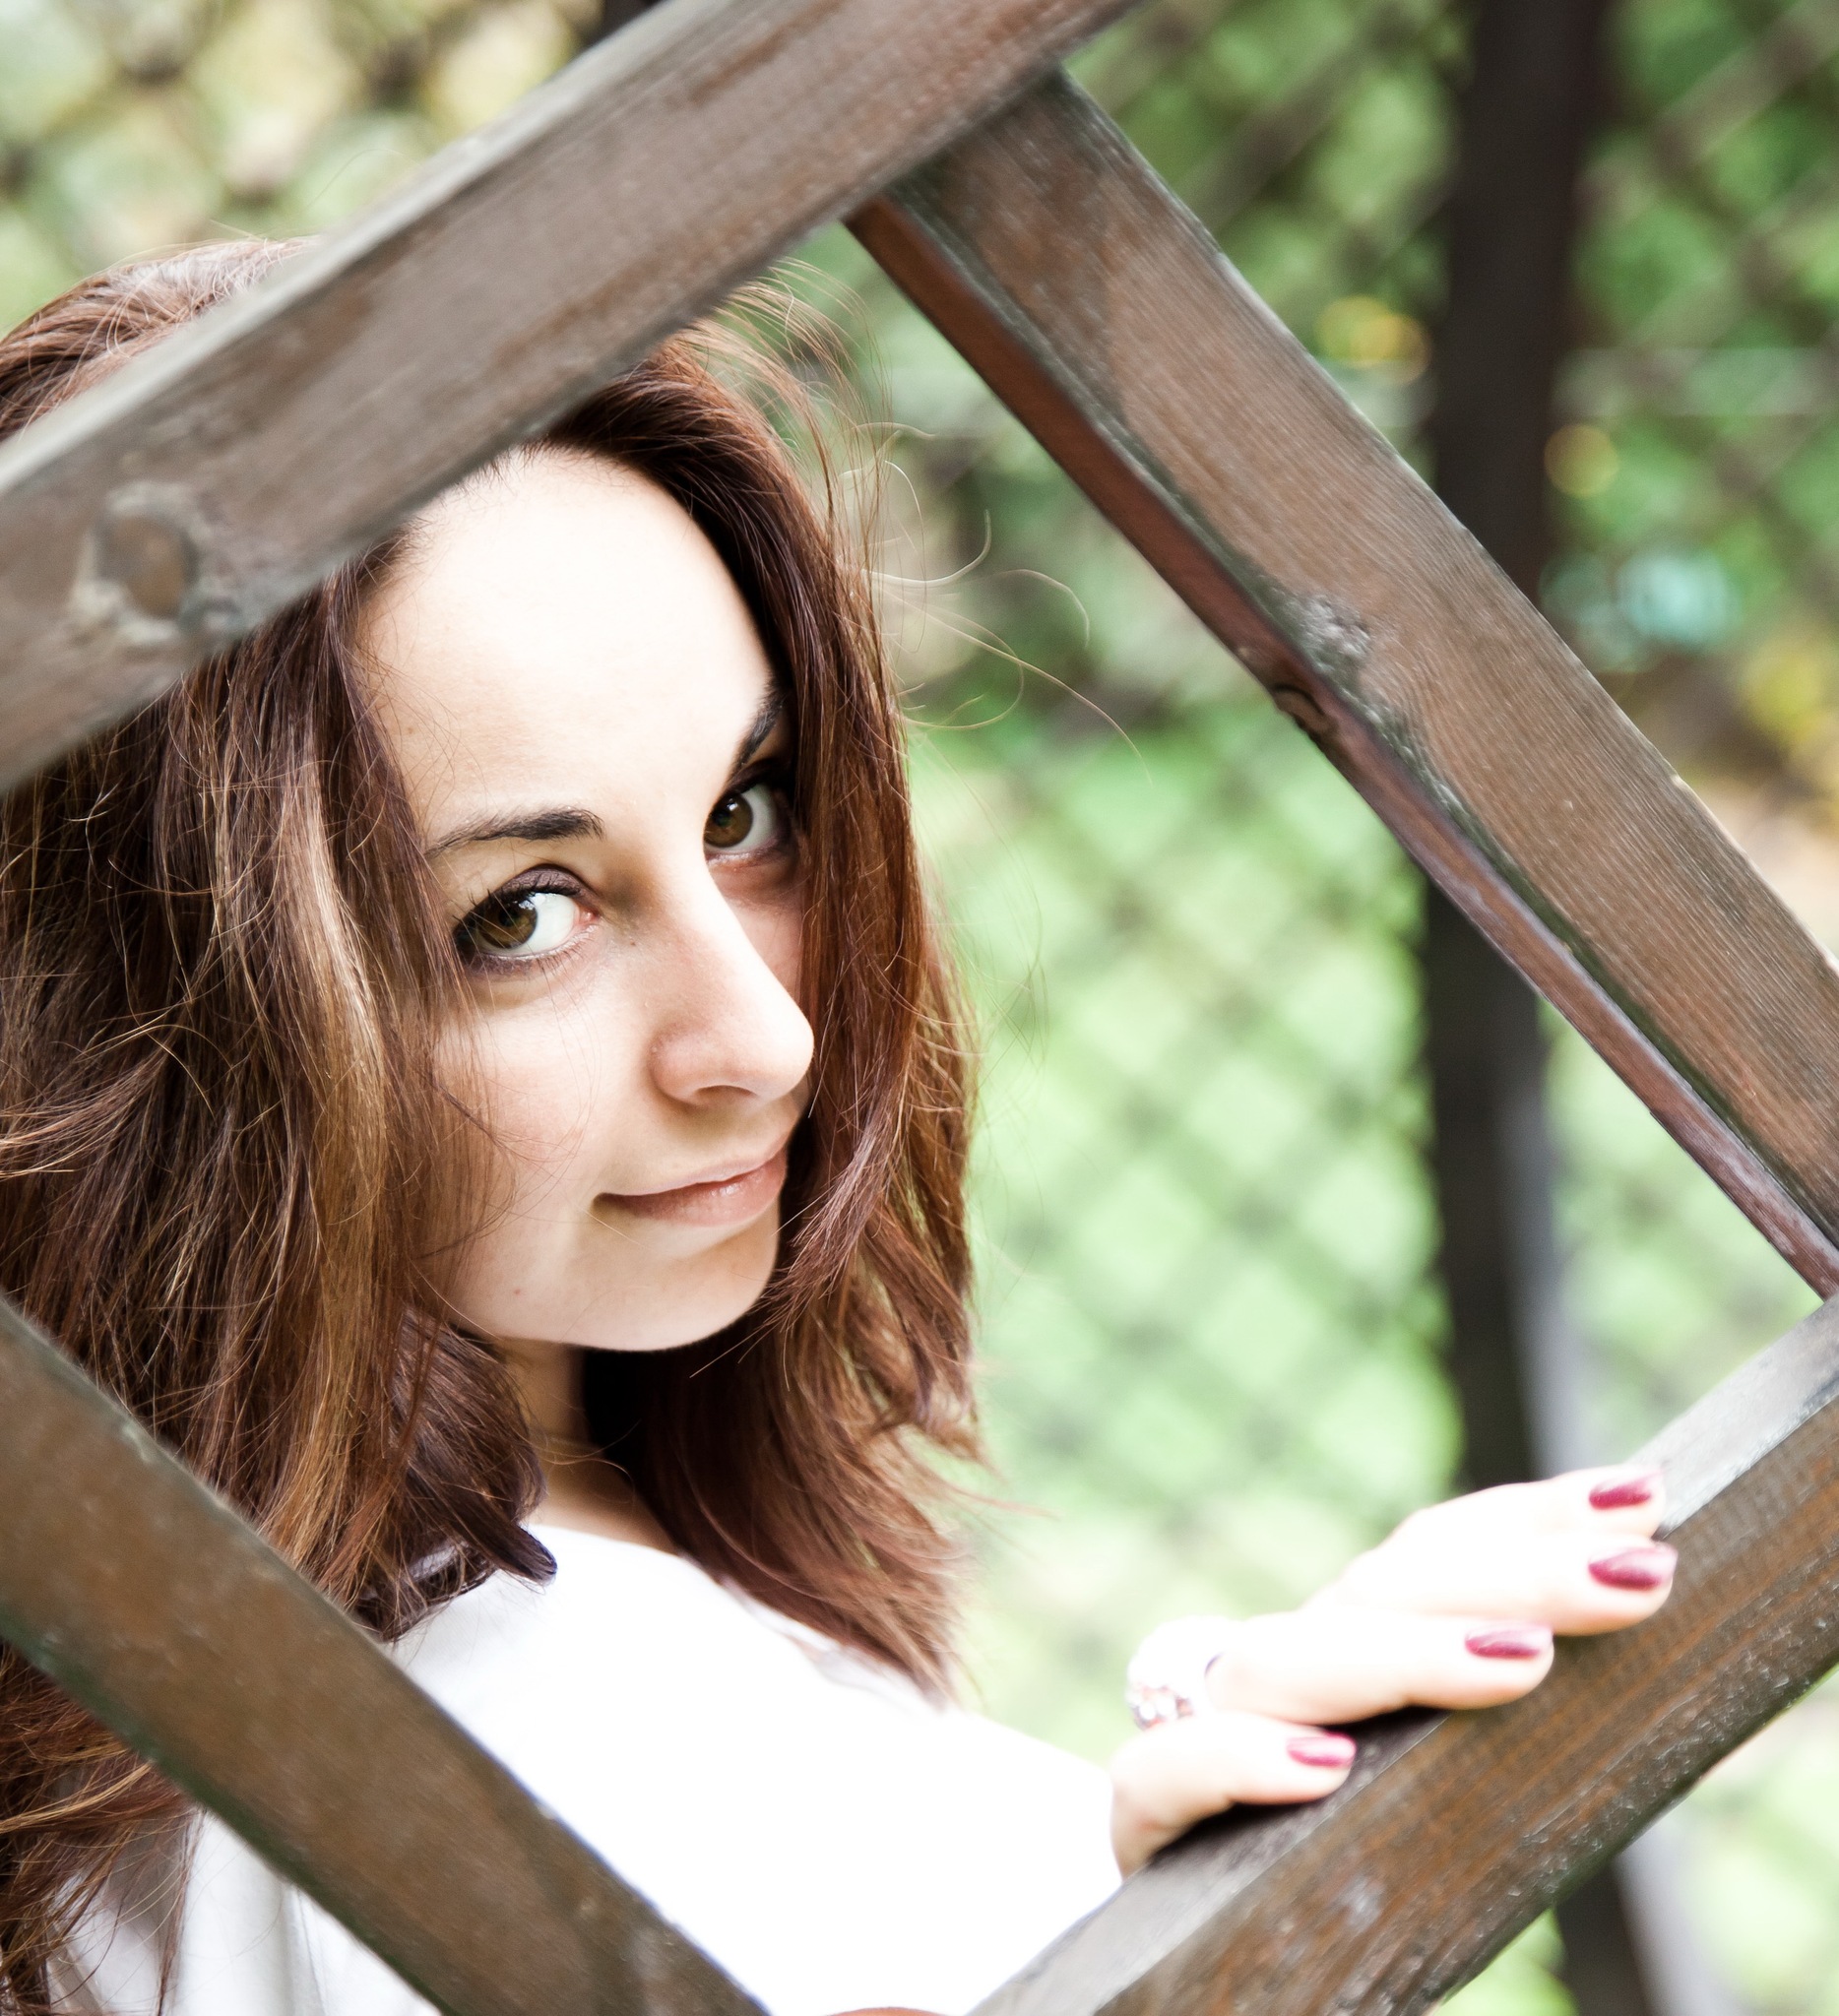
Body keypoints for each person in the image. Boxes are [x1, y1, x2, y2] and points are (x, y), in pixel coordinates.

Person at [0, 242, 1677, 2016]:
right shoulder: (556, 1734)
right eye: (522, 913)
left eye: (746, 810)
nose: (764, 1035)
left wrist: (1150, 1868)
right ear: (146, 1022)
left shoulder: (191, 1688)